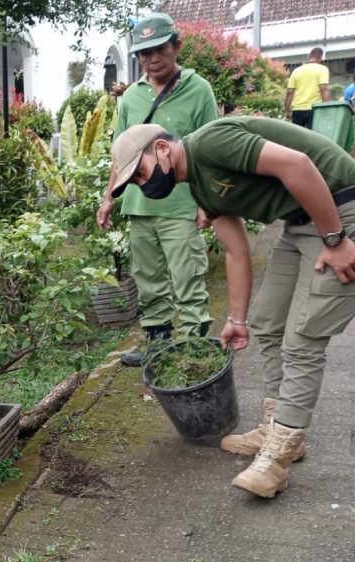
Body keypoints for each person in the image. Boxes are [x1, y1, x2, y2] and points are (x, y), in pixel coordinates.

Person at [109, 118, 355, 498]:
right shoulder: (201, 190)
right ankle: (277, 427)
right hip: (301, 222)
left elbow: (298, 165)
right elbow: (237, 252)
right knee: (267, 323)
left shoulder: (210, 142)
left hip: (344, 210)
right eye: (136, 183)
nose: (144, 184)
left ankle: (278, 456)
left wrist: (335, 238)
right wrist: (235, 320)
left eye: (140, 173)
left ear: (161, 149)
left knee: (304, 339)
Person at [98, 12, 217, 366]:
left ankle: (195, 344)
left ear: (176, 46)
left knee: (188, 276)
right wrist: (108, 199)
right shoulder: (131, 98)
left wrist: (206, 203)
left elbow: (210, 152)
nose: (152, 59)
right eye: (143, 53)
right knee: (147, 279)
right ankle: (159, 342)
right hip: (139, 205)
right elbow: (121, 154)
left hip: (182, 205)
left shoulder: (199, 89)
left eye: (160, 49)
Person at [284, 47, 331, 129]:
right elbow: (323, 89)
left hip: (298, 110)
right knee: (313, 137)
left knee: (297, 137)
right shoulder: (322, 69)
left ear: (308, 56)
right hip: (315, 109)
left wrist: (287, 111)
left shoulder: (296, 71)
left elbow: (289, 93)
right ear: (321, 57)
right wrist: (328, 109)